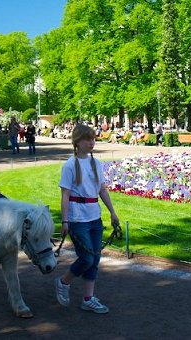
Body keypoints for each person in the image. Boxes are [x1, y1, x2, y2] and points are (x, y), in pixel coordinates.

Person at [55, 124, 119, 314]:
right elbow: (65, 195)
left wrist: (112, 212)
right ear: (77, 142)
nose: (91, 142)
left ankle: (88, 299)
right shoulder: (69, 165)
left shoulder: (96, 163)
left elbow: (102, 190)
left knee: (95, 258)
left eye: (93, 139)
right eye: (87, 139)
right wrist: (65, 221)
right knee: (87, 258)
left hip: (94, 217)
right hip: (77, 218)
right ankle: (63, 282)